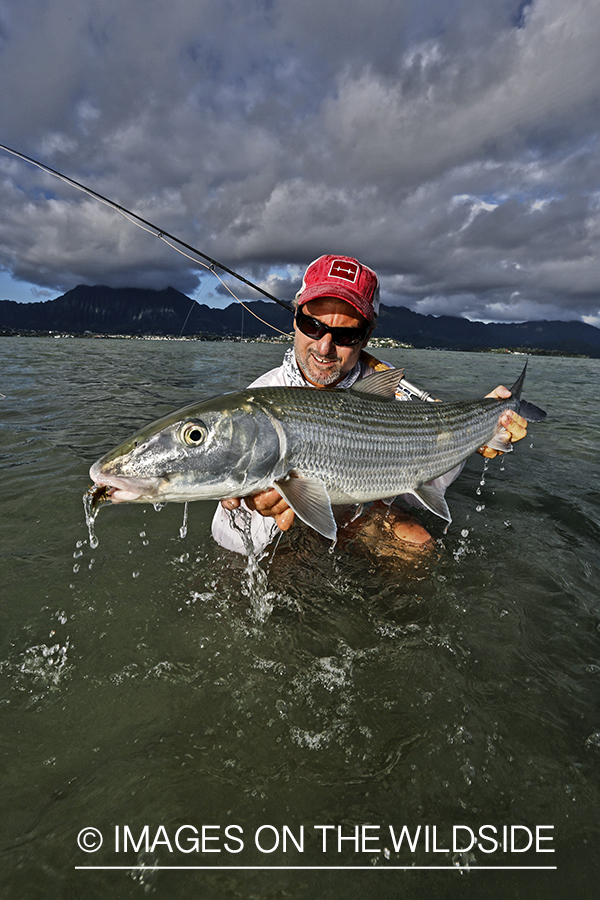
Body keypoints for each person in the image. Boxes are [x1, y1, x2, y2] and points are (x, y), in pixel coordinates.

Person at [211, 255, 527, 555]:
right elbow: (225, 535)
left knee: (416, 547)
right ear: (295, 320)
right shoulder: (258, 400)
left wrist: (477, 430)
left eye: (347, 335)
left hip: (359, 513)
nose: (324, 346)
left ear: (367, 336)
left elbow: (415, 491)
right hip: (288, 527)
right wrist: (255, 507)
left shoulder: (392, 391)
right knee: (274, 558)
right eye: (312, 326)